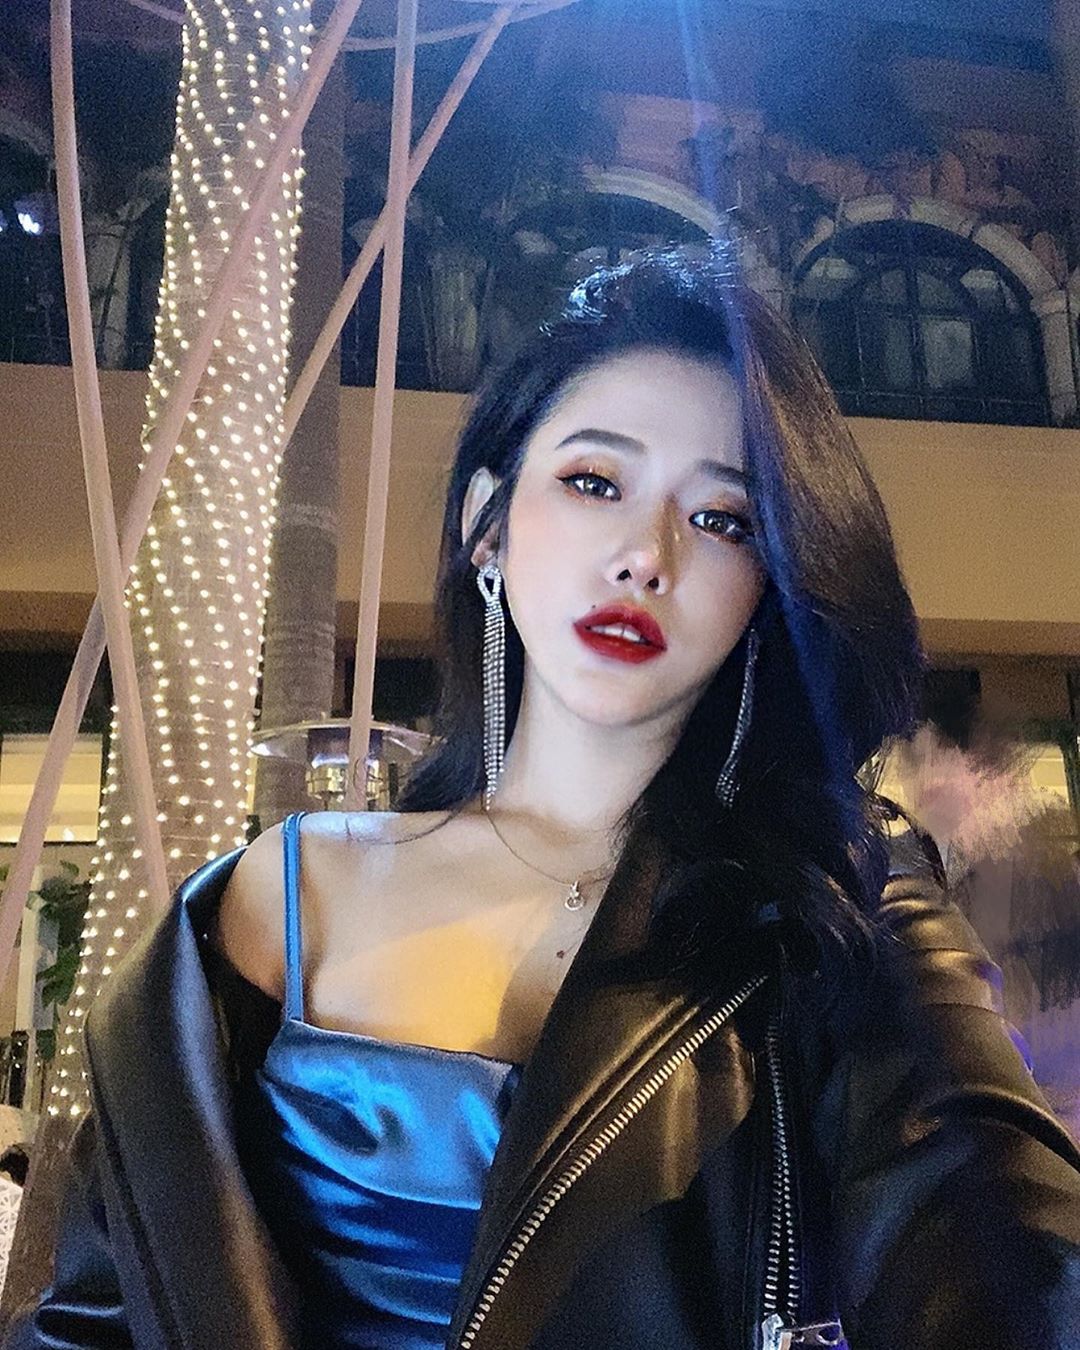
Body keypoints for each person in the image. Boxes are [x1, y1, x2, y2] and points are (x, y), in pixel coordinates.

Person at [6, 248, 1080, 1350]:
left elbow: (1004, 1233)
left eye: (723, 519)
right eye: (595, 482)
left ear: (767, 589)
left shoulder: (838, 910)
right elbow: (99, 1316)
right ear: (489, 524)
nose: (646, 557)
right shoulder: (278, 898)